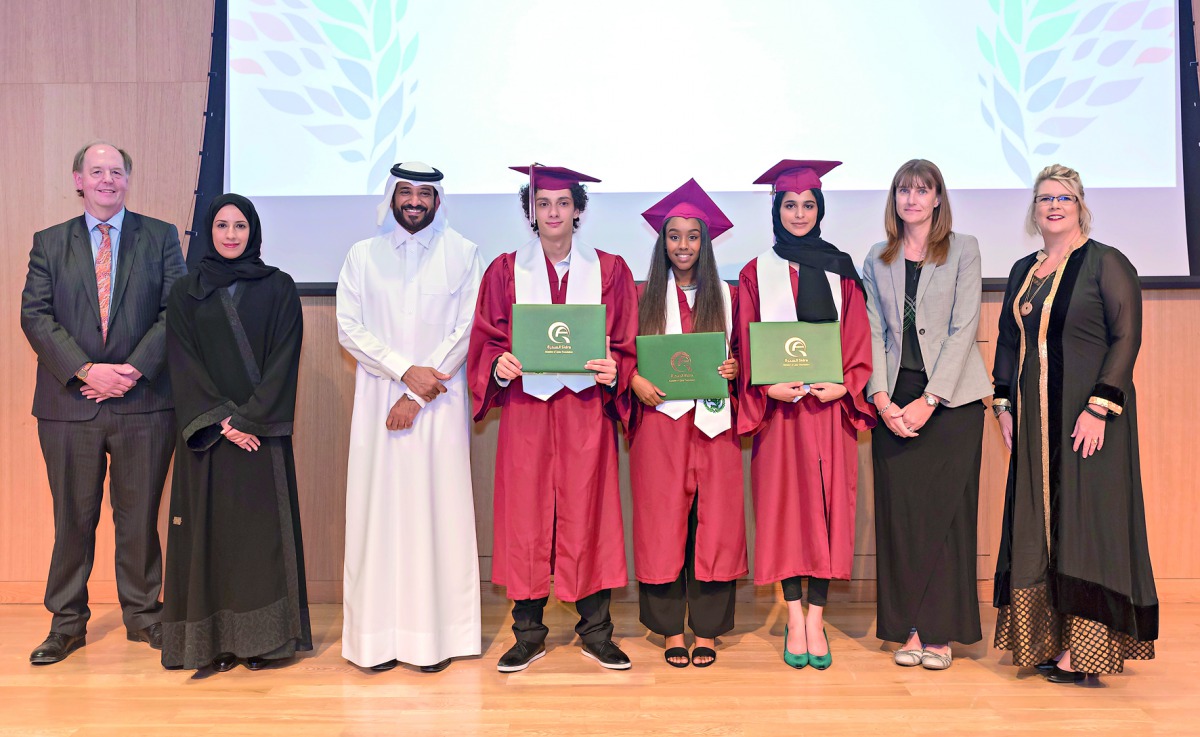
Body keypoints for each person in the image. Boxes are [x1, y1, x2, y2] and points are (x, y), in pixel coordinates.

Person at [21, 141, 186, 665]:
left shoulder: (160, 238)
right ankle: (66, 624)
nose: (107, 180)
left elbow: (174, 312)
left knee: (138, 518)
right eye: (97, 172)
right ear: (78, 180)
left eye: (116, 171)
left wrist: (132, 371)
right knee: (73, 517)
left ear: (127, 180)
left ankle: (143, 616)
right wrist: (88, 370)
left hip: (146, 403)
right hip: (70, 405)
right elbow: (36, 316)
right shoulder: (48, 243)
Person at [991, 164, 1157, 684]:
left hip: (1088, 422)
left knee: (1087, 525)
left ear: (1081, 204)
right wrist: (1003, 404)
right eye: (1044, 198)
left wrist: (1100, 406)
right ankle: (1046, 637)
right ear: (1034, 209)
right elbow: (1006, 340)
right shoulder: (1024, 270)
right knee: (1039, 526)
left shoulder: (1106, 263)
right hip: (1035, 426)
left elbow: (1126, 337)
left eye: (1064, 197)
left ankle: (1084, 650)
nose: (1054, 206)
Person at [468, 164, 637, 672]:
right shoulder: (504, 270)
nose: (553, 212)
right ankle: (528, 634)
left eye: (563, 203)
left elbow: (626, 343)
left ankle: (596, 633)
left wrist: (616, 369)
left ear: (579, 209)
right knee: (526, 516)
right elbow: (487, 340)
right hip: (527, 410)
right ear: (531, 212)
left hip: (586, 409)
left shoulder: (609, 270)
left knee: (591, 512)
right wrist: (498, 366)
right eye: (543, 204)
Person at [337, 162, 483, 674]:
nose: (415, 200)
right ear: (392, 196)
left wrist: (418, 395)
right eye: (406, 191)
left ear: (438, 200)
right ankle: (374, 641)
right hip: (378, 405)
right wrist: (403, 372)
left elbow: (467, 331)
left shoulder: (464, 254)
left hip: (438, 409)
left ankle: (435, 641)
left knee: (436, 514)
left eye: (425, 192)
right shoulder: (362, 256)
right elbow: (348, 330)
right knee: (378, 516)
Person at [159, 193, 310, 672]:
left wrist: (250, 420)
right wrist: (223, 421)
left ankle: (265, 642)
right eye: (222, 225)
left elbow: (286, 359)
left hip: (259, 436)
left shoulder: (279, 286)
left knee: (260, 540)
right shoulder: (186, 291)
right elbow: (182, 361)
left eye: (239, 226)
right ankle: (213, 643)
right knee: (211, 537)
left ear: (253, 232)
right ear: (209, 231)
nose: (230, 234)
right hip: (208, 436)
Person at [735, 160, 875, 670]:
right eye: (790, 205)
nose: (799, 213)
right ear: (776, 210)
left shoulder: (841, 270)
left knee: (827, 510)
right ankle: (794, 615)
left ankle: (817, 617)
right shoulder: (756, 272)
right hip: (780, 416)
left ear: (820, 210)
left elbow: (858, 341)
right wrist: (766, 384)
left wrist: (849, 383)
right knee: (785, 512)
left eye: (808, 205)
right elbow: (745, 340)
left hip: (830, 413)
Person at [861, 160, 992, 670]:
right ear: (894, 199)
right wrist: (879, 398)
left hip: (952, 401)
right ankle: (909, 630)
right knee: (902, 520)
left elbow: (964, 329)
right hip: (894, 400)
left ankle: (941, 633)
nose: (912, 198)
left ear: (938, 198)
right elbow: (872, 333)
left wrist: (929, 399)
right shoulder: (878, 257)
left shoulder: (964, 248)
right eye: (903, 190)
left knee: (948, 519)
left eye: (923, 190)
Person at [627, 179, 747, 668]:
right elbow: (620, 352)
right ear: (662, 241)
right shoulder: (640, 295)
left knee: (713, 524)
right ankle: (670, 629)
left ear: (706, 241)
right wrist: (632, 378)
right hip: (660, 421)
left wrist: (735, 368)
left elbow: (743, 355)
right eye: (674, 236)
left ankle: (709, 630)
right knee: (662, 523)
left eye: (692, 236)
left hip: (712, 425)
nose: (683, 245)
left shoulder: (728, 294)